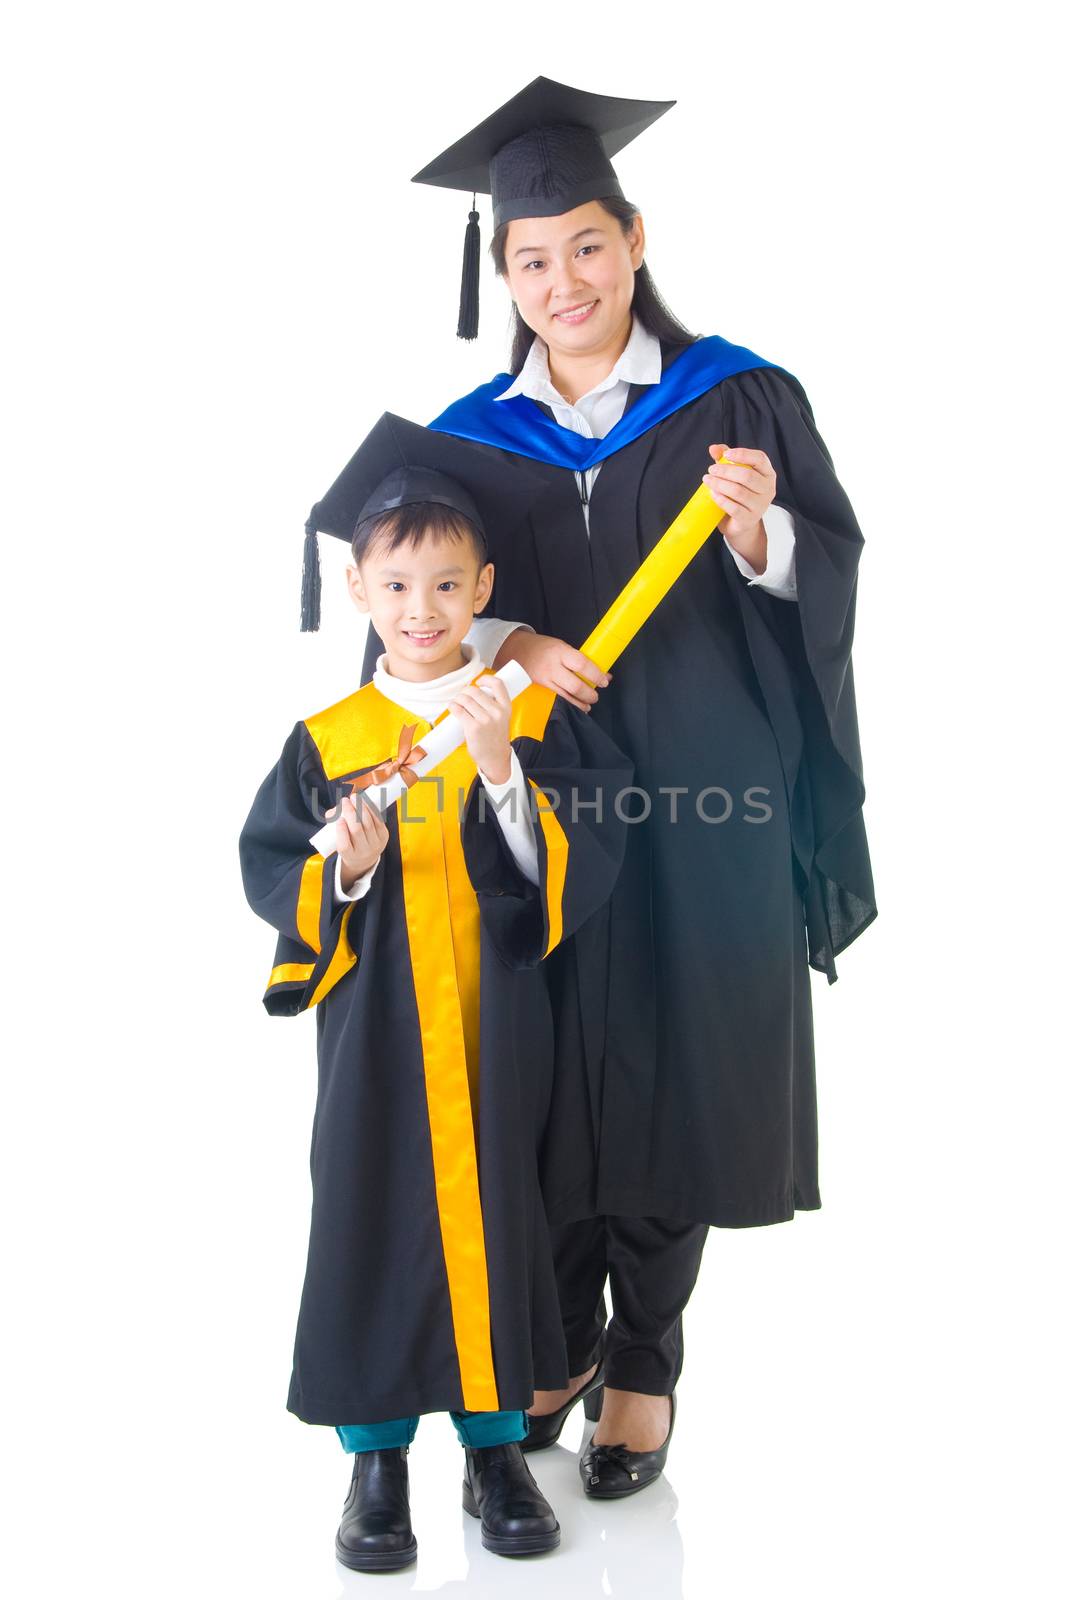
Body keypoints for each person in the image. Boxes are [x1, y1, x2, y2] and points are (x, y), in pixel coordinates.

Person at [397, 77, 877, 1498]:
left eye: (587, 247)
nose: (565, 282)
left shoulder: (734, 397)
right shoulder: (470, 435)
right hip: (539, 792)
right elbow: (417, 604)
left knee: (681, 1064)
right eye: (532, 259)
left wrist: (757, 532)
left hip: (708, 784)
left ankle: (647, 1365)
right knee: (536, 1066)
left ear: (636, 239)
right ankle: (554, 1341)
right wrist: (513, 639)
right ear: (504, 273)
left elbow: (826, 569)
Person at [241, 414, 632, 1569]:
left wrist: (505, 770)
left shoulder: (518, 716)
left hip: (498, 1022)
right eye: (397, 582)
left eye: (447, 585)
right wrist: (343, 870)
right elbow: (276, 867)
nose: (422, 608)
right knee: (369, 1213)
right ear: (358, 586)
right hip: (376, 1038)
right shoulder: (331, 735)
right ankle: (376, 1462)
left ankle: (498, 1446)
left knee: (507, 1214)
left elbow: (578, 860)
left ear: (484, 591)